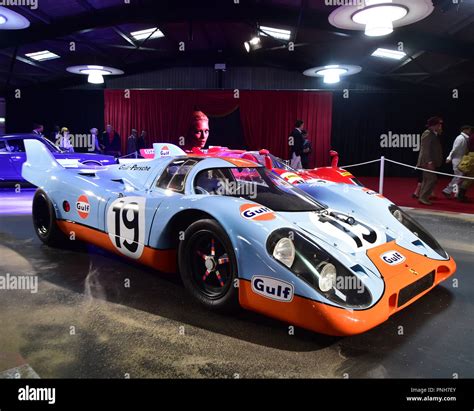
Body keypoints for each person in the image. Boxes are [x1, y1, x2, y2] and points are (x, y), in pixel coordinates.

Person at [416, 116, 444, 206]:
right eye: (439, 124)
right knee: (432, 179)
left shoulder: (433, 133)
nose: (440, 126)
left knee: (427, 179)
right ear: (434, 125)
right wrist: (429, 162)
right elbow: (425, 149)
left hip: (429, 161)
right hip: (427, 161)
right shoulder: (427, 133)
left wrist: (438, 131)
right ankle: (423, 197)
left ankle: (422, 197)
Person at [442, 125, 472, 198]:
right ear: (465, 130)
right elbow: (454, 149)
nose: (470, 131)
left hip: (462, 160)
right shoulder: (460, 138)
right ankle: (447, 190)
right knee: (458, 177)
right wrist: (449, 157)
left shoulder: (466, 138)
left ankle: (456, 193)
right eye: (469, 130)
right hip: (457, 160)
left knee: (460, 177)